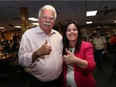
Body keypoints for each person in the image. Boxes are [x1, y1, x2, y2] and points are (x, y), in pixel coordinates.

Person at [18, 5, 63, 87]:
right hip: (39, 83)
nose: (48, 20)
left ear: (54, 21)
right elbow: (21, 60)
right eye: (44, 17)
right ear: (38, 19)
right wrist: (38, 53)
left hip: (58, 82)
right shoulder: (28, 35)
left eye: (51, 18)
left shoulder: (58, 35)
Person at [62, 21, 96, 87]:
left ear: (78, 32)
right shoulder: (63, 47)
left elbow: (92, 66)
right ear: (65, 33)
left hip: (84, 83)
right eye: (69, 30)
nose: (72, 32)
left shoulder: (87, 45)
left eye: (74, 29)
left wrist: (75, 60)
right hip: (67, 83)